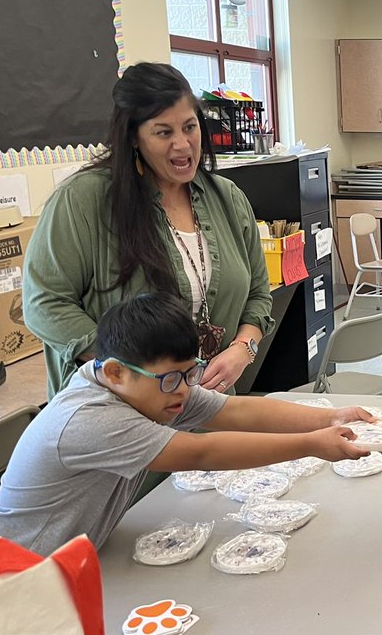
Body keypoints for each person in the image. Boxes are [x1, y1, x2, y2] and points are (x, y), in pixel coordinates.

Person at [0, 293, 373, 556]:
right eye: (173, 377)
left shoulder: (149, 387)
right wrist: (312, 443)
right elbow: (202, 452)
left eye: (192, 372)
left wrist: (330, 417)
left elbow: (235, 411)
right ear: (116, 372)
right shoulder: (92, 419)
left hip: (73, 559)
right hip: (17, 571)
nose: (185, 388)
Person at [24, 62, 273, 399]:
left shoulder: (227, 198)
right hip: (116, 409)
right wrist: (133, 371)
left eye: (189, 127)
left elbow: (258, 294)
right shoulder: (83, 200)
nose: (183, 144)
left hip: (206, 406)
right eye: (163, 133)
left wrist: (243, 349)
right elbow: (44, 304)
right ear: (133, 137)